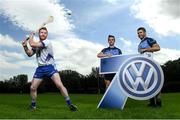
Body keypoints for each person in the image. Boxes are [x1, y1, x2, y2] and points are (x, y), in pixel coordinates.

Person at [22, 27, 77, 111]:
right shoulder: (37, 45)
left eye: (45, 33)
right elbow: (29, 54)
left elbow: (32, 44)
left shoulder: (47, 42)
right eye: (41, 32)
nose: (43, 34)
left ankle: (70, 104)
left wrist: (31, 36)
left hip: (50, 67)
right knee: (33, 88)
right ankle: (33, 106)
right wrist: (25, 46)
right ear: (39, 34)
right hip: (40, 68)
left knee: (59, 85)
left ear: (46, 35)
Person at [137, 27, 162, 107]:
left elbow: (158, 48)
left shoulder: (149, 40)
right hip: (143, 67)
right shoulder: (140, 43)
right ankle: (151, 102)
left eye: (140, 32)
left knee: (155, 83)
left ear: (145, 32)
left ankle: (158, 102)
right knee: (148, 84)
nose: (139, 34)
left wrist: (145, 49)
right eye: (138, 33)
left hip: (150, 65)